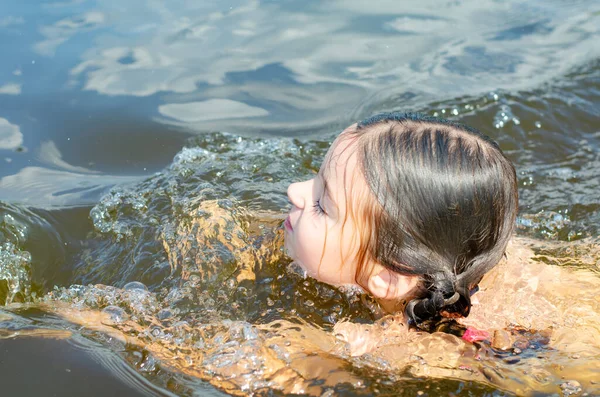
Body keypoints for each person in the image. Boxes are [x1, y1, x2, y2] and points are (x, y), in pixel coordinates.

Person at [284, 112, 518, 329]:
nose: (294, 190)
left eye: (322, 206)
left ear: (389, 278)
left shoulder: (385, 349)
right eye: (317, 177)